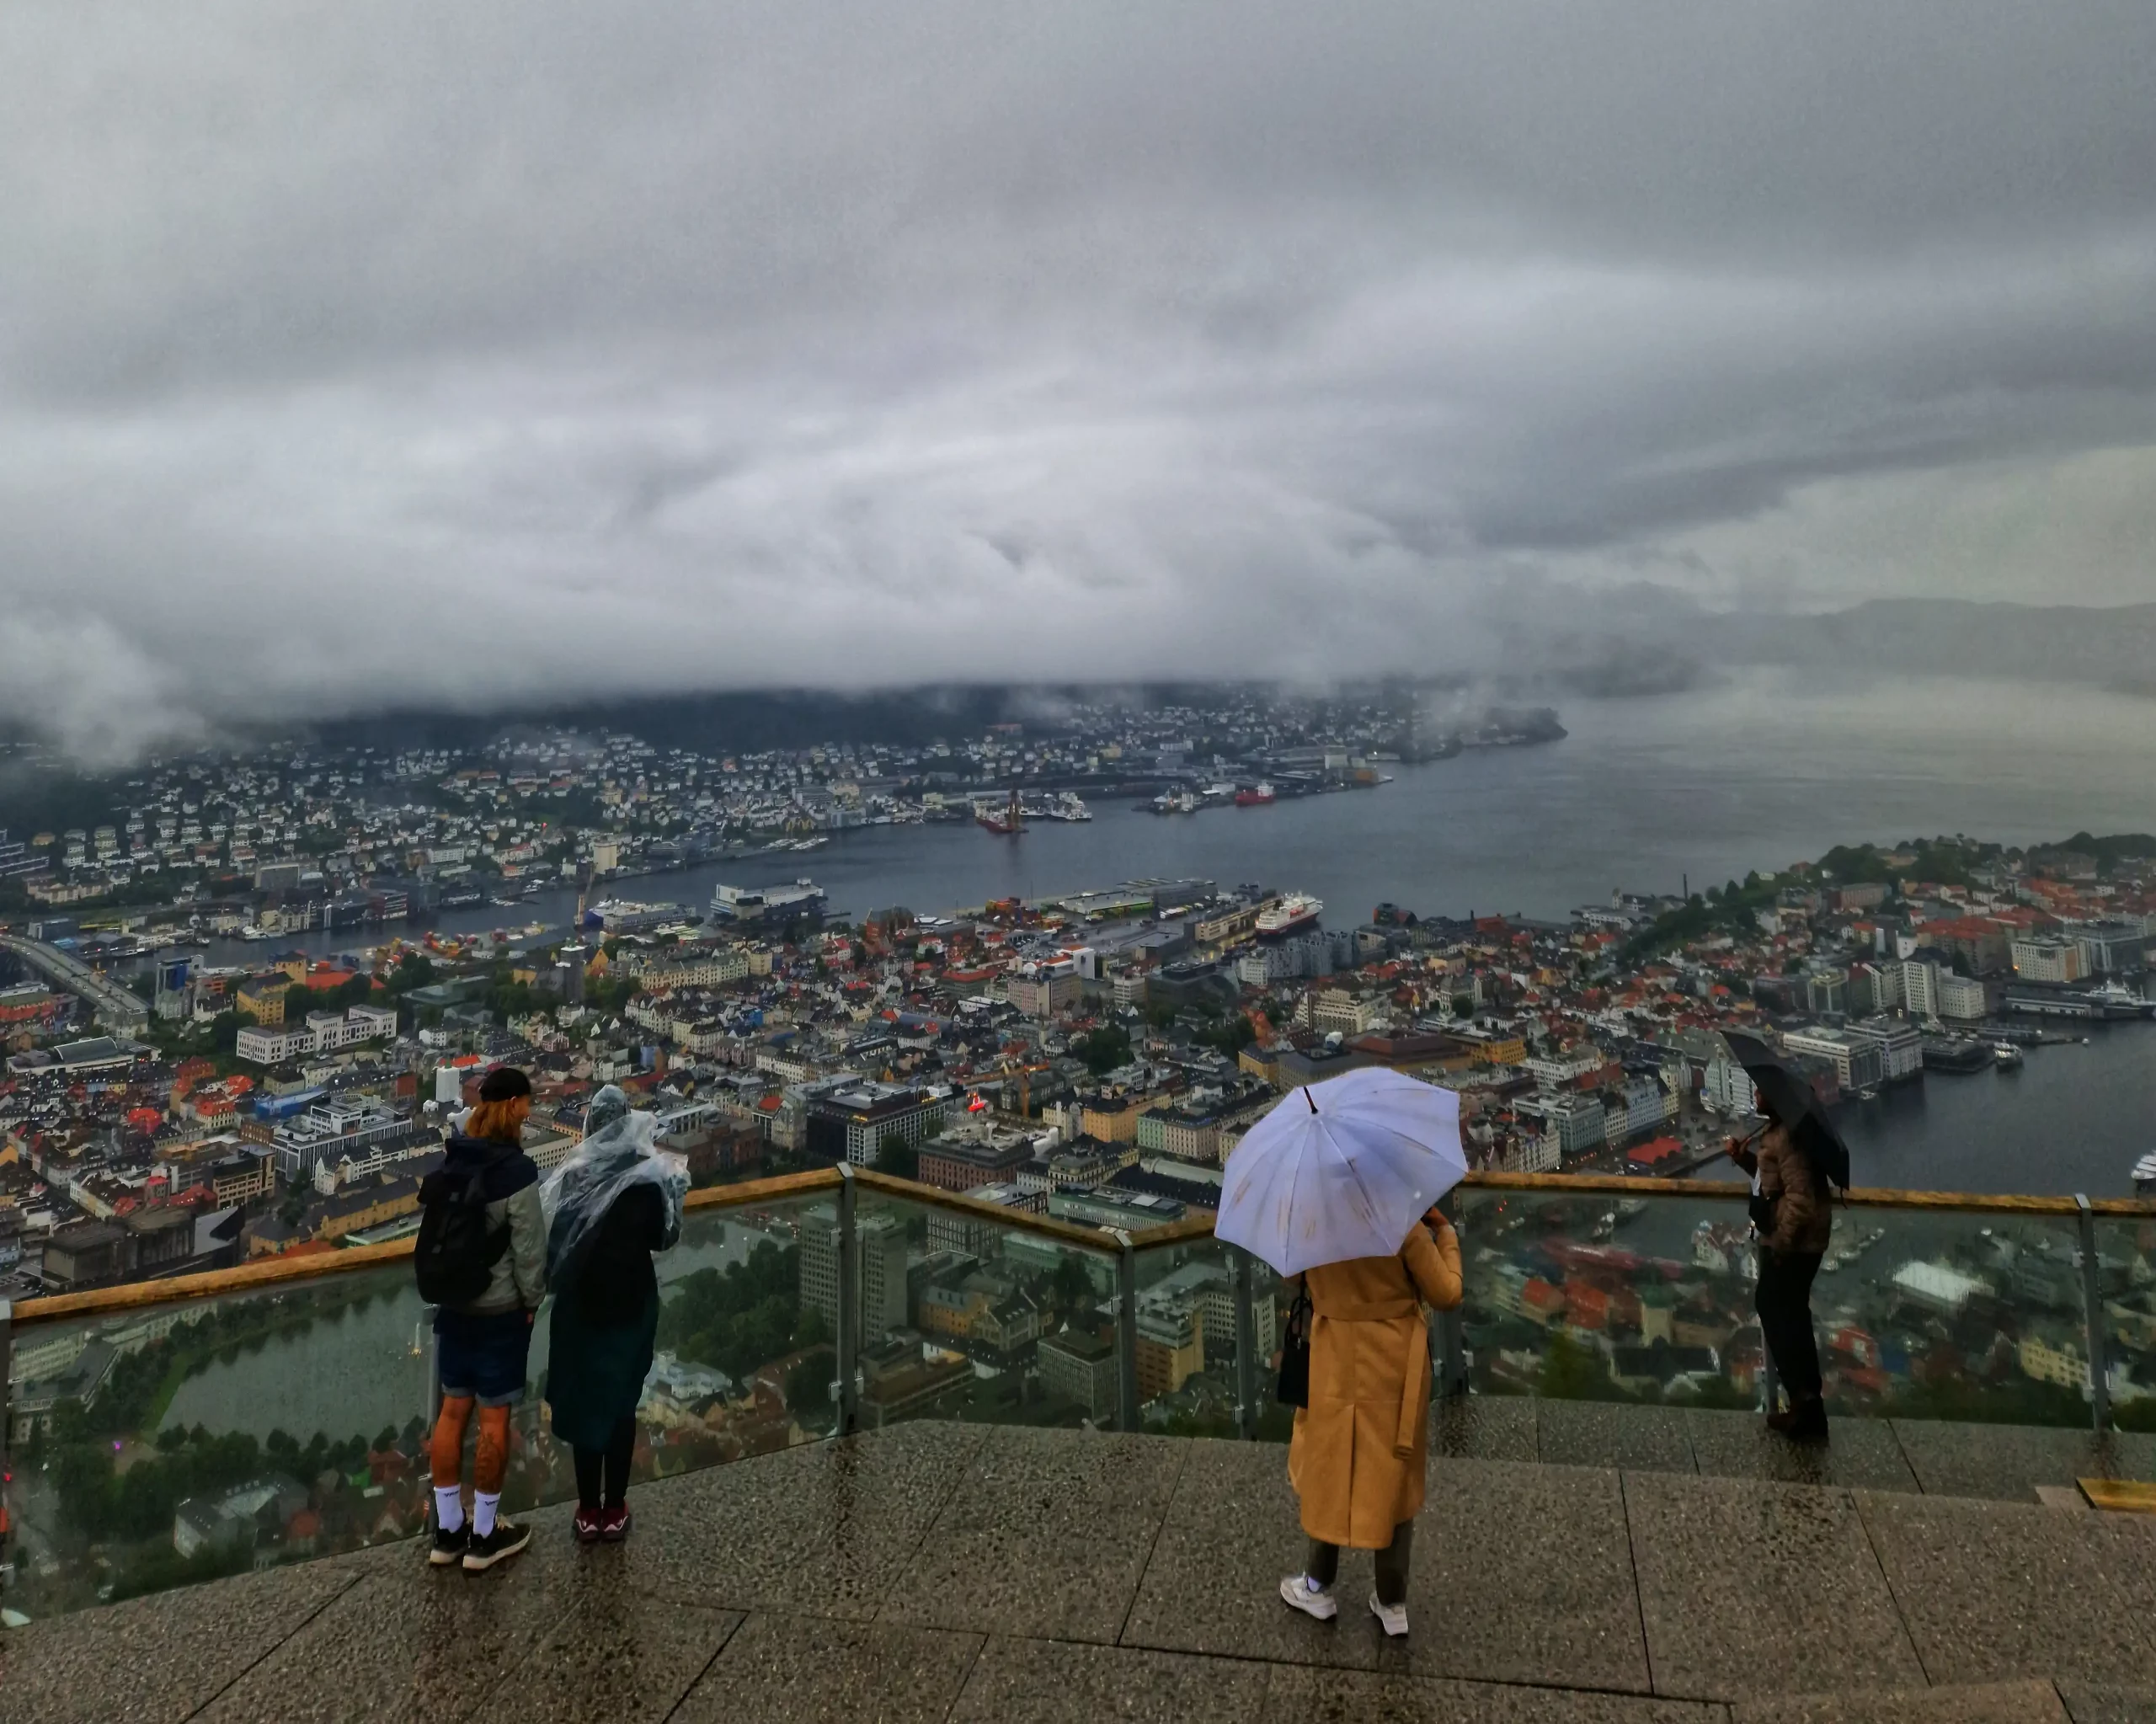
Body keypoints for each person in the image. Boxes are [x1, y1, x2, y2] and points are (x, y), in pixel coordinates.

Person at [1278, 1206, 1463, 1638]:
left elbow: (1291, 1276)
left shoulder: (1318, 1216)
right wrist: (1447, 1236)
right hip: (1395, 1363)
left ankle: (1317, 1585)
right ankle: (1392, 1601)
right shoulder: (1400, 1221)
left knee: (1328, 1464)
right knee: (1393, 1472)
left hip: (1335, 1358)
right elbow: (1447, 1293)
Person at [541, 1086, 686, 1543]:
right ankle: (616, 1508)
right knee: (621, 1405)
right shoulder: (646, 1176)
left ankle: (587, 1511)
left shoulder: (574, 1177)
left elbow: (556, 1249)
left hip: (583, 1305)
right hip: (630, 1302)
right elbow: (665, 1237)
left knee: (587, 1403)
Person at [426, 1065, 547, 1572]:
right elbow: (530, 1255)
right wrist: (532, 1303)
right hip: (499, 1312)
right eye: (528, 1103)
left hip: (453, 1306)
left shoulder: (456, 1159)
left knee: (452, 1413)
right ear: (516, 1106)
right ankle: (483, 1534)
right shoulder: (516, 1173)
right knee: (494, 1420)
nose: (531, 1110)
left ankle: (447, 1530)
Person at [1728, 1114, 1834, 1442]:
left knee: (1777, 1309)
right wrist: (1744, 1158)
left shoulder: (1788, 1137)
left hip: (1797, 1244)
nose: (1757, 1096)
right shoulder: (1782, 1132)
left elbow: (1800, 1200)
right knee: (1792, 1315)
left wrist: (1782, 1246)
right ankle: (1805, 1405)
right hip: (1801, 1242)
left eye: (1762, 1092)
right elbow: (1774, 1183)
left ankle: (1804, 1402)